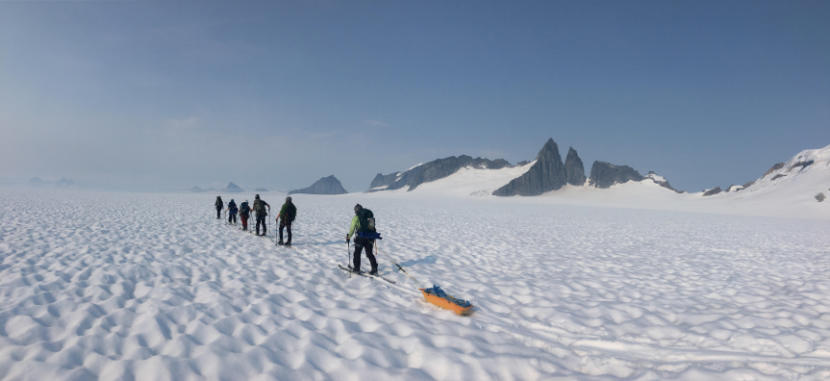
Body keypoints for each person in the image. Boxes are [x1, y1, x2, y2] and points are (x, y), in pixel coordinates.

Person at [346, 204, 378, 275]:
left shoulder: (356, 217)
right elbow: (372, 227)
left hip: (360, 238)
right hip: (370, 237)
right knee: (369, 253)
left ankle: (356, 268)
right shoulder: (369, 215)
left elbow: (352, 228)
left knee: (357, 253)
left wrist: (349, 236)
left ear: (356, 210)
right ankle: (374, 269)